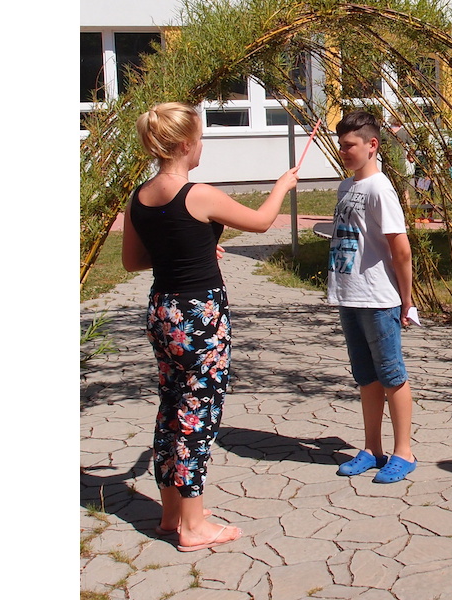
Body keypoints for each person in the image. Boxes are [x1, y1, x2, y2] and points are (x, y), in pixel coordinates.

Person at [121, 102, 299, 551]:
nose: (202, 146)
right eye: (200, 138)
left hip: (163, 312)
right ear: (185, 144)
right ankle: (194, 525)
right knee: (198, 412)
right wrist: (281, 186)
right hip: (199, 316)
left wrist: (193, 248)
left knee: (171, 406)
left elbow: (133, 261)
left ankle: (171, 515)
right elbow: (261, 223)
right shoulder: (198, 193)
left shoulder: (139, 197)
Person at [327, 110, 417, 484]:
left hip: (379, 299)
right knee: (366, 377)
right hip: (350, 296)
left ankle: (404, 452)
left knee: (391, 374)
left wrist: (406, 300)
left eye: (349, 145)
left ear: (372, 145)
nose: (343, 151)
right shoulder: (346, 187)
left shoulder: (380, 189)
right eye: (341, 145)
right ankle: (371, 449)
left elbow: (401, 249)